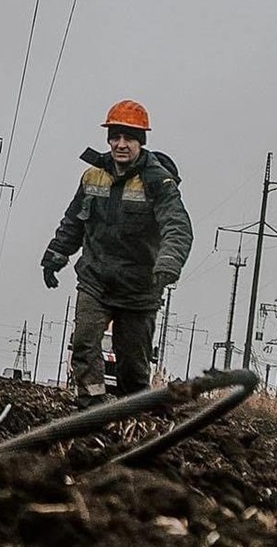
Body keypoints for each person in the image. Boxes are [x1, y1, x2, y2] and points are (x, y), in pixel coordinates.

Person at [41, 99, 193, 406]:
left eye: (129, 138)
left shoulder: (158, 181)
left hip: (139, 287)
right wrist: (55, 255)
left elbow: (177, 226)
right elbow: (73, 221)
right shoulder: (92, 177)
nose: (121, 144)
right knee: (84, 342)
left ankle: (132, 416)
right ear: (109, 139)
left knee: (133, 365)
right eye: (115, 137)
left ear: (141, 142)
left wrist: (168, 263)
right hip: (96, 279)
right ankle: (91, 406)